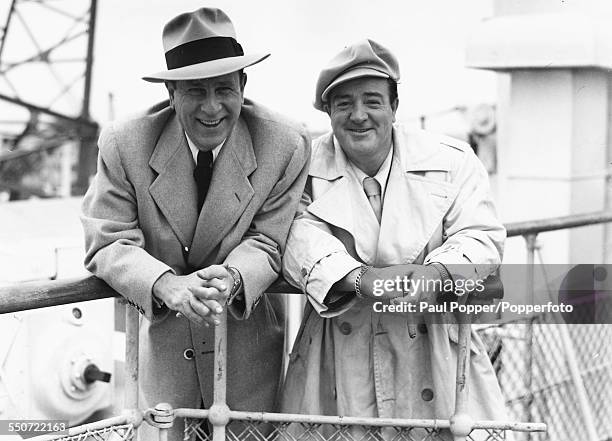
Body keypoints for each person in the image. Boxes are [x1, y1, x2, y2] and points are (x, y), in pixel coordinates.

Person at [81, 8, 309, 440]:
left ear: (244, 85)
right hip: (166, 359)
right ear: (170, 92)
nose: (212, 107)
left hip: (248, 358)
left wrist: (235, 276)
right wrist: (166, 284)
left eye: (224, 89)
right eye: (194, 91)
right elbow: (105, 240)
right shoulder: (123, 142)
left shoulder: (286, 143)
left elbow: (270, 239)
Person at [281, 39, 507, 434]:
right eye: (343, 104)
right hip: (337, 354)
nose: (358, 116)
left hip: (434, 349)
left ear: (394, 107)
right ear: (328, 112)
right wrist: (358, 279)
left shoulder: (451, 161)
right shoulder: (301, 169)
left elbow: (481, 235)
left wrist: (435, 275)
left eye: (372, 101)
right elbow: (296, 236)